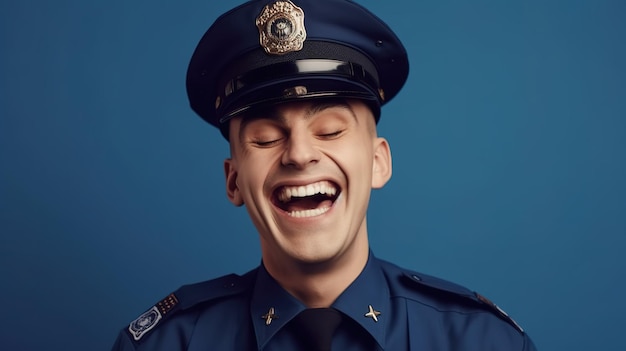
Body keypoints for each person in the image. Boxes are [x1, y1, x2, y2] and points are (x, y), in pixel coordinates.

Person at [111, 0, 537, 350]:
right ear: (233, 180)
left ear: (378, 162)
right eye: (264, 137)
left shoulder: (481, 341)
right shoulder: (167, 343)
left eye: (330, 130)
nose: (299, 153)